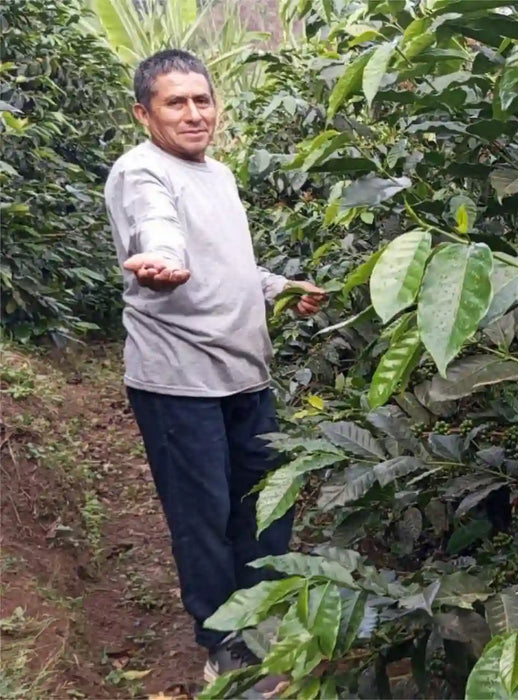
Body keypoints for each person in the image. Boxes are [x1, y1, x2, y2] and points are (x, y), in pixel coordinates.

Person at [104, 49, 325, 691]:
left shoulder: (220, 175)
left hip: (245, 375)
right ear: (144, 112)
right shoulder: (140, 171)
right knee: (203, 516)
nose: (195, 114)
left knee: (264, 507)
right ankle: (223, 641)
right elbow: (159, 229)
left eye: (202, 100)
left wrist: (279, 286)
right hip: (178, 383)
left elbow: (231, 267)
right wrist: (160, 259)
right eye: (176, 102)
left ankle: (261, 618)